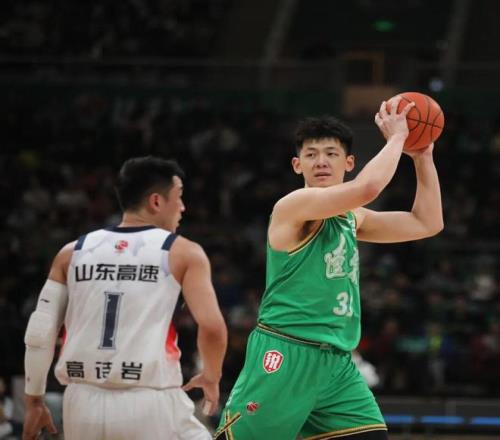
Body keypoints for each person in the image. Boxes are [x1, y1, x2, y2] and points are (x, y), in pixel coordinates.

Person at [215, 97, 443, 439]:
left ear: (349, 162)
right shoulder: (293, 206)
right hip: (286, 352)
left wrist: (423, 156)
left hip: (337, 363)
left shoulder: (353, 217)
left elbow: (427, 222)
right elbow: (368, 188)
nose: (321, 161)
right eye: (311, 155)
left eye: (331, 154)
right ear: (297, 165)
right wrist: (398, 137)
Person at [22, 156, 228, 440]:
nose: (183, 207)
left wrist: (34, 401)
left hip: (81, 402)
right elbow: (213, 327)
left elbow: (40, 333)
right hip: (149, 400)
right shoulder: (181, 252)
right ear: (156, 201)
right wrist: (212, 376)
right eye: (179, 197)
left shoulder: (72, 252)